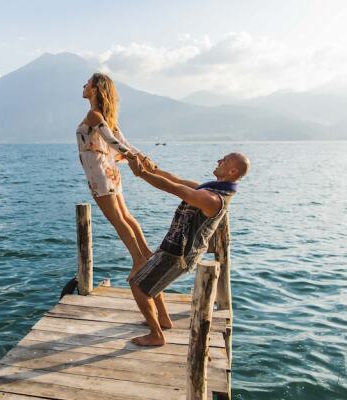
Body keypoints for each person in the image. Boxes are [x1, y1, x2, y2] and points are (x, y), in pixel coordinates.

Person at [126, 152, 250, 346]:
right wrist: (152, 169)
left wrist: (141, 174)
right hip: (173, 248)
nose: (218, 160)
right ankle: (164, 320)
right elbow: (176, 180)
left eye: (224, 160)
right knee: (149, 280)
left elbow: (174, 188)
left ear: (232, 171)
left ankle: (156, 335)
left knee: (137, 284)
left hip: (180, 254)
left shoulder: (213, 198)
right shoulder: (211, 188)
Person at [76, 72, 156, 273]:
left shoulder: (94, 115)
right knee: (125, 216)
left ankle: (139, 259)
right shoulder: (105, 117)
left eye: (87, 83)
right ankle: (147, 254)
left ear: (94, 90)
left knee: (118, 219)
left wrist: (135, 158)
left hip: (100, 172)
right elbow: (122, 142)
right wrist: (141, 157)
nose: (84, 85)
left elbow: (114, 142)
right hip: (108, 169)